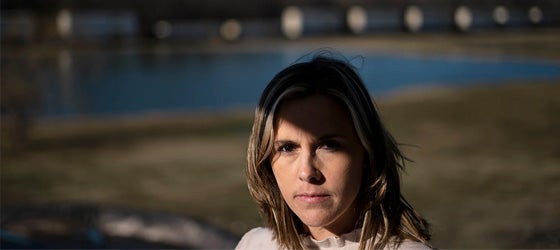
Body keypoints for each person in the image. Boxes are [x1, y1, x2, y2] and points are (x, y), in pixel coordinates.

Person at [236, 54, 432, 250]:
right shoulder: (254, 244)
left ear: (367, 152)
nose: (307, 172)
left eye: (329, 145)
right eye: (288, 148)